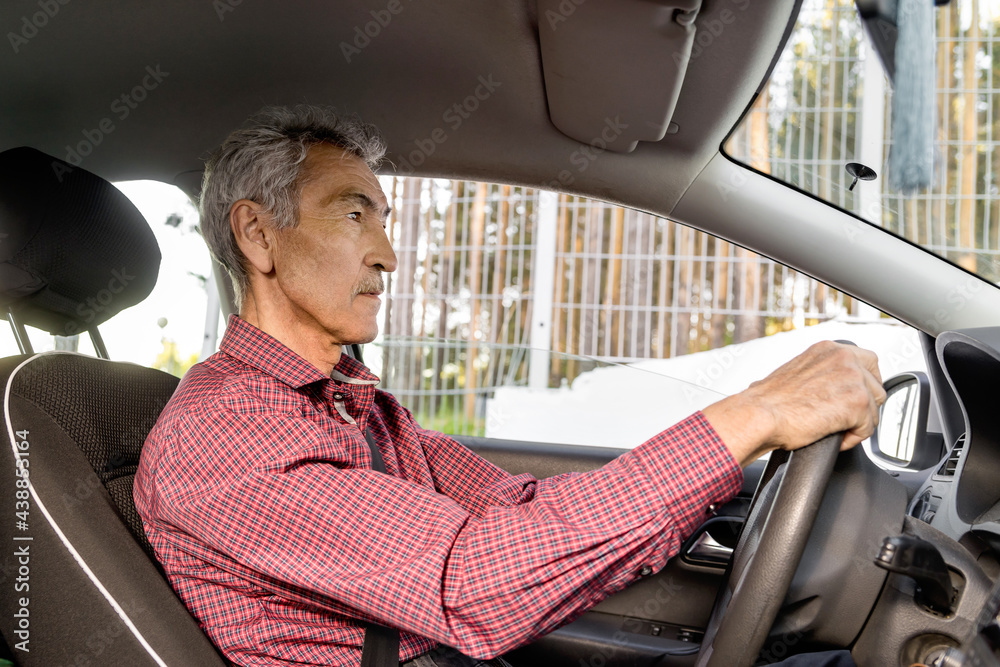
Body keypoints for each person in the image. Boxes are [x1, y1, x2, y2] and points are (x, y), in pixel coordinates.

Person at [134, 105, 885, 667]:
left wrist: (732, 479)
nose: (388, 254)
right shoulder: (224, 432)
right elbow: (472, 582)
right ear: (258, 234)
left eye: (384, 219)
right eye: (353, 213)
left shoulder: (351, 404)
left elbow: (517, 513)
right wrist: (755, 413)